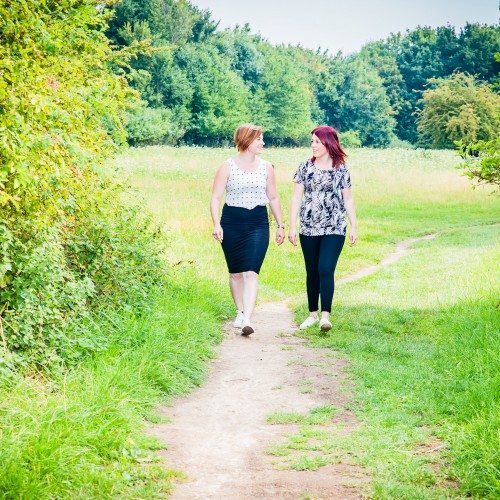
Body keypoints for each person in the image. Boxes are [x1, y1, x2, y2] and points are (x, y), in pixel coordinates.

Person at [210, 124, 285, 336]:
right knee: (236, 273)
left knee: (251, 271)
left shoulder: (266, 167)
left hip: (258, 222)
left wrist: (280, 225)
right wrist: (216, 223)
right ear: (246, 140)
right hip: (232, 221)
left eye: (262, 139)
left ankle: (248, 320)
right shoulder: (227, 166)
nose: (263, 143)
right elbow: (215, 197)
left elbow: (273, 197)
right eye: (259, 139)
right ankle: (240, 311)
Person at [288, 125, 357, 332]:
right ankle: (311, 314)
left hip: (334, 226)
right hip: (308, 226)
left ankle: (325, 316)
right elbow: (296, 197)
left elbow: (348, 199)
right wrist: (292, 225)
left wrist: (354, 225)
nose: (313, 146)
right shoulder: (305, 167)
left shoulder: (341, 168)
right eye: (312, 142)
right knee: (312, 271)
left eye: (317, 142)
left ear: (328, 143)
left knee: (325, 268)